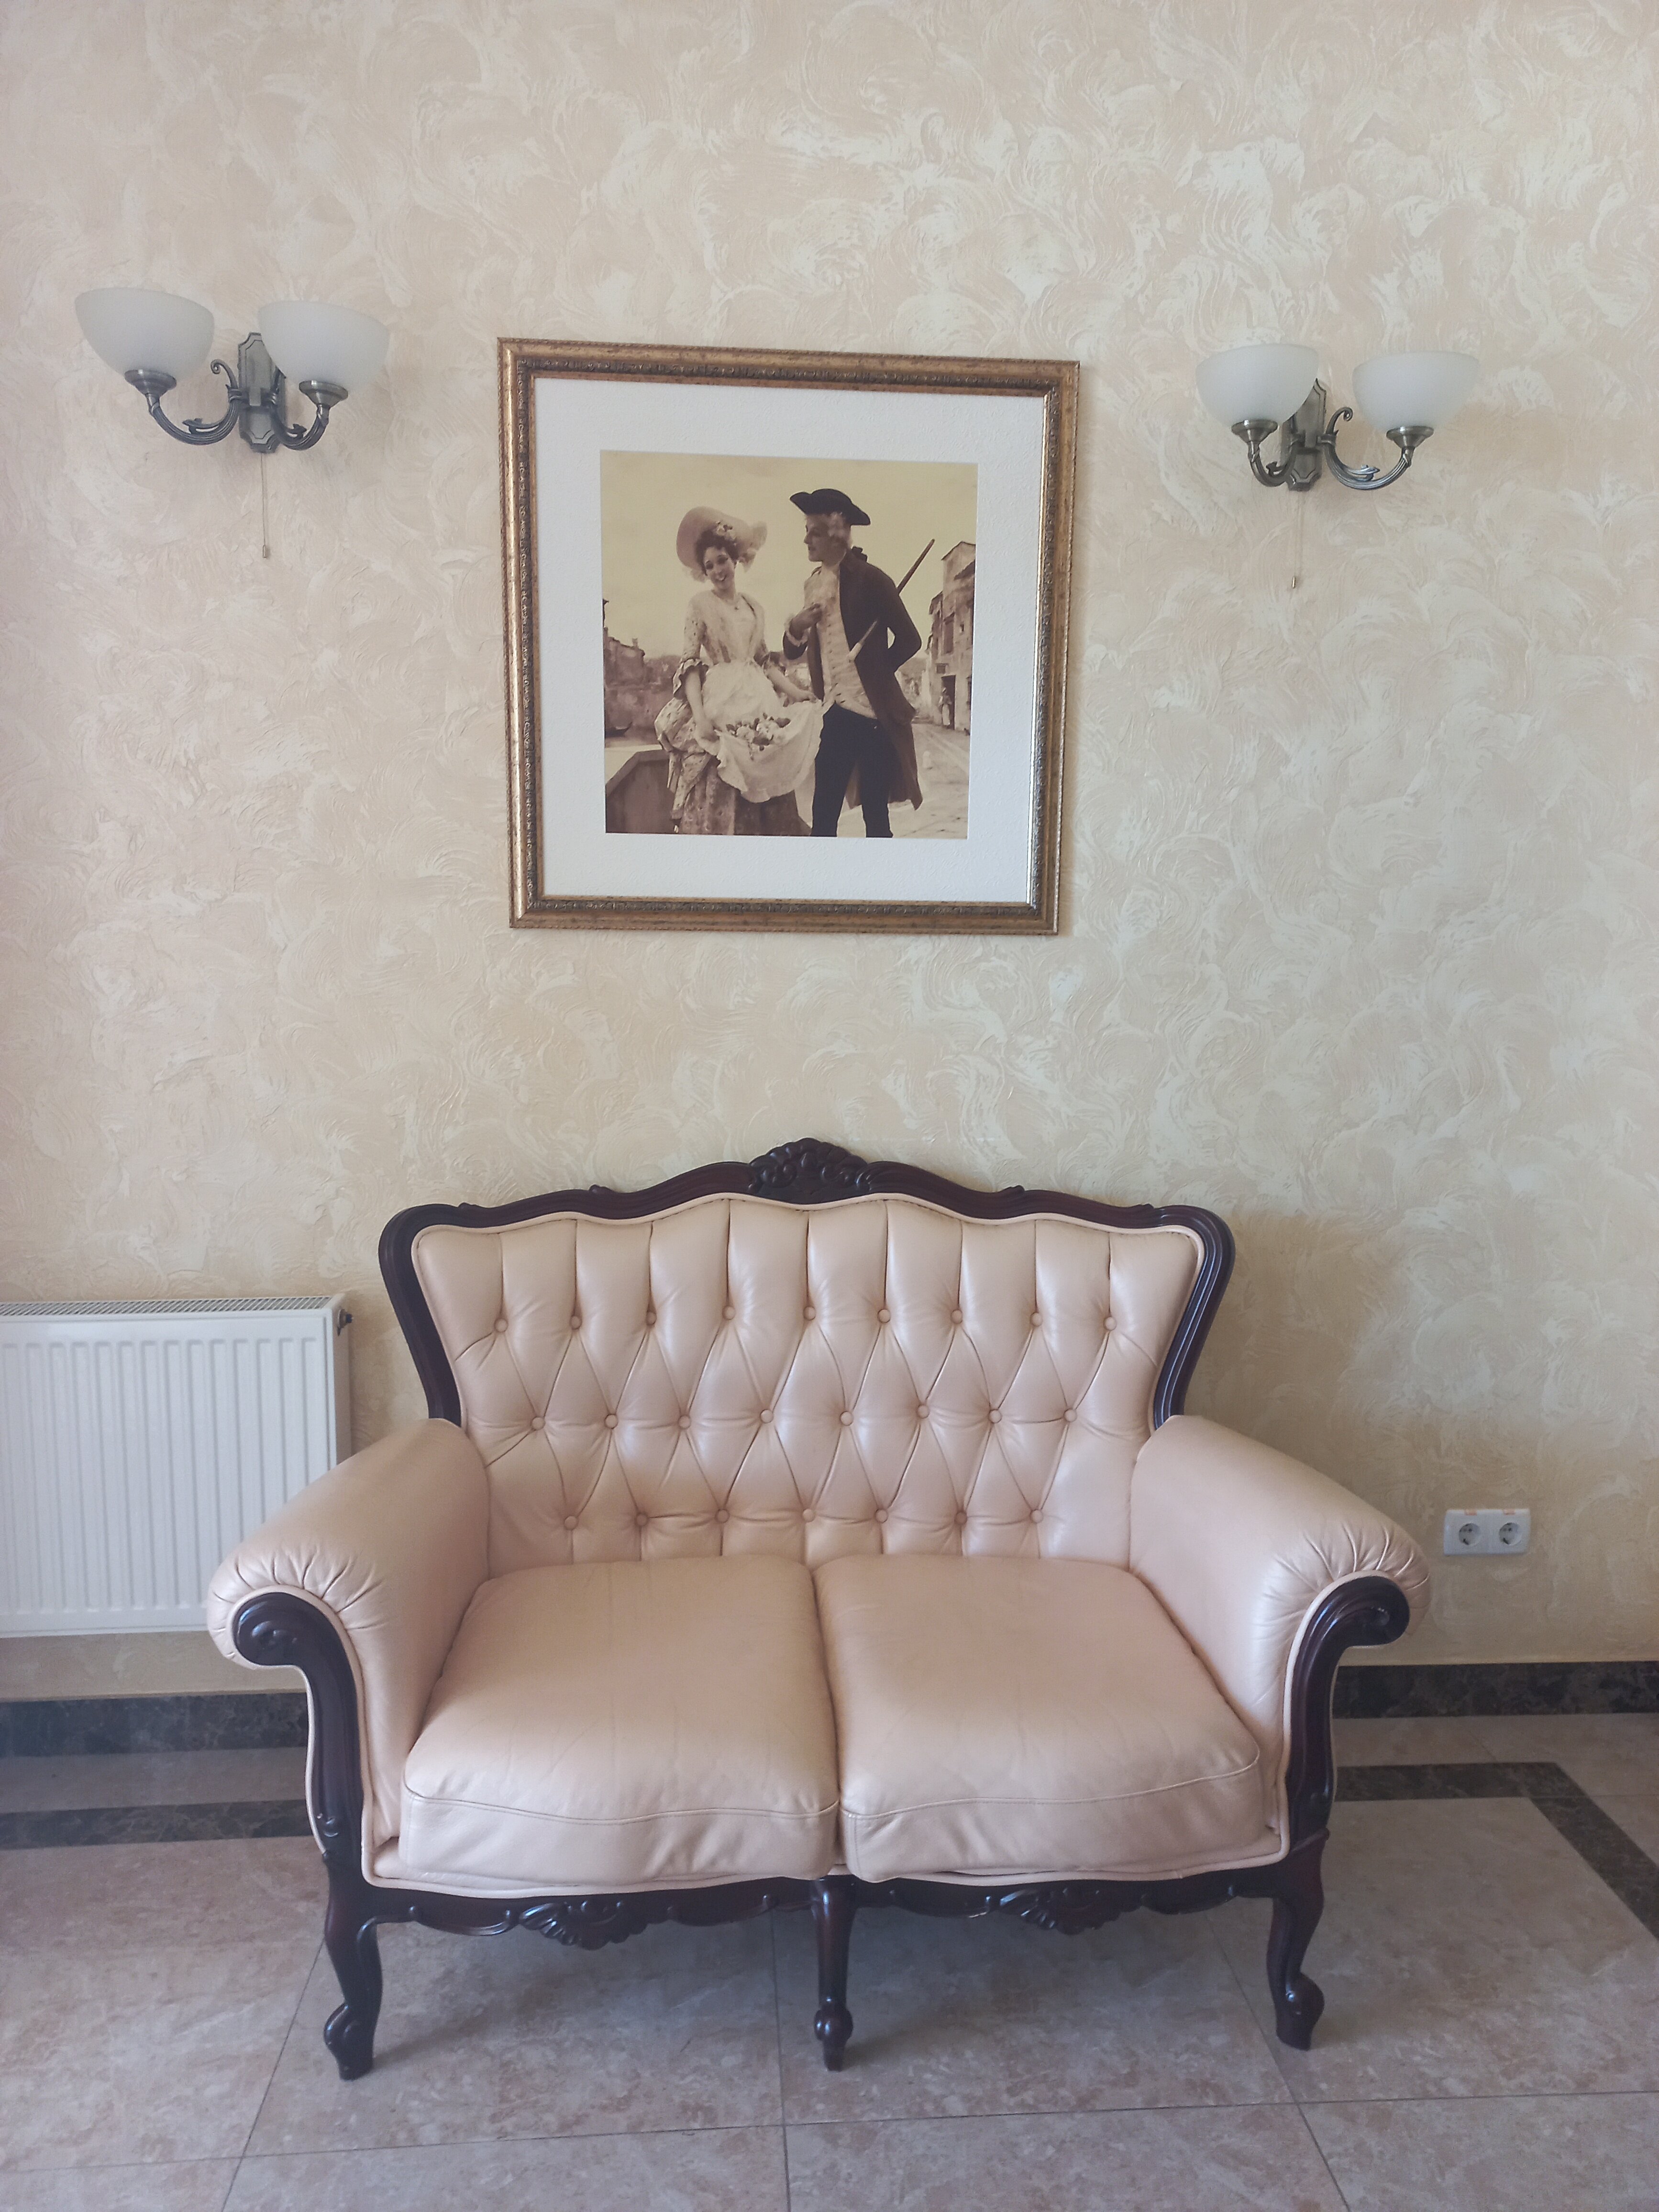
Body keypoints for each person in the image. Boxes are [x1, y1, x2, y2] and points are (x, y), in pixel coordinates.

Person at [653, 509, 821, 836]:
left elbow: (765, 662)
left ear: (735, 560)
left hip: (758, 697)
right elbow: (690, 665)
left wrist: (796, 692)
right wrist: (701, 716)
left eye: (722, 561)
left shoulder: (754, 607)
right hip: (721, 697)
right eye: (710, 566)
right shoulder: (700, 605)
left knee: (766, 760)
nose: (718, 571)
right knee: (722, 772)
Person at [782, 489, 923, 838]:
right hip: (833, 714)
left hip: (873, 717)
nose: (806, 541)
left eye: (815, 533)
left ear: (836, 535)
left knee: (876, 817)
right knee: (823, 816)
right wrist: (797, 625)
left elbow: (911, 639)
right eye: (807, 532)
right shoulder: (812, 584)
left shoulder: (872, 579)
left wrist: (877, 673)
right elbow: (792, 652)